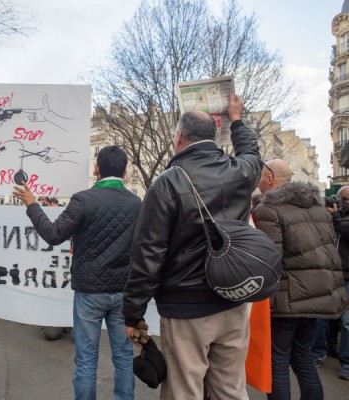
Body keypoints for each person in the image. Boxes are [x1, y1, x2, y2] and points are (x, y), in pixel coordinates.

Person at [122, 95, 260, 400]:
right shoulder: (241, 172)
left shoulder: (167, 184)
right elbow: (252, 152)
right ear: (213, 137)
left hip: (187, 308)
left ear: (179, 138)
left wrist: (132, 314)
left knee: (184, 390)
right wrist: (237, 120)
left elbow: (148, 256)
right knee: (231, 388)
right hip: (234, 300)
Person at [13, 145, 141, 400]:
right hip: (124, 292)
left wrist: (32, 204)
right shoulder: (137, 203)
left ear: (96, 168)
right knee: (124, 358)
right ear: (125, 172)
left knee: (86, 360)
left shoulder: (82, 199)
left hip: (89, 292)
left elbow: (53, 234)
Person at [253, 159, 348, 399]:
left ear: (271, 179)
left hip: (286, 299)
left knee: (278, 360)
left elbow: (269, 260)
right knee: (303, 356)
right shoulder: (318, 208)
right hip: (317, 296)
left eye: (261, 177)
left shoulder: (268, 210)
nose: (259, 182)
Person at [318, 185, 349, 380]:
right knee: (324, 316)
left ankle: (346, 362)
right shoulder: (334, 217)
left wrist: (336, 217)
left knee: (347, 322)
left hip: (347, 275)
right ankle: (324, 349)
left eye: (347, 199)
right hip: (330, 272)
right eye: (342, 199)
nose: (344, 203)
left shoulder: (339, 219)